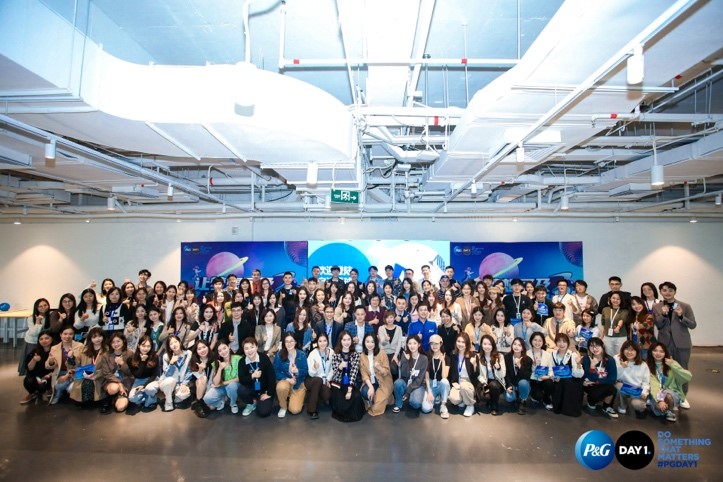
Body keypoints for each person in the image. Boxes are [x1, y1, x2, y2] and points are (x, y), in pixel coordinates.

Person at [652, 281, 696, 401]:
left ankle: (683, 397)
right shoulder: (657, 307)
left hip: (682, 343)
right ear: (660, 292)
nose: (667, 293)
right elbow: (658, 325)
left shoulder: (685, 306)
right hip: (664, 344)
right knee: (665, 369)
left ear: (675, 292)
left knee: (682, 369)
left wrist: (681, 316)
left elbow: (693, 325)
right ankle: (667, 395)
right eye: (664, 290)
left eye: (670, 290)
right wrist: (663, 315)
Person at [647, 342, 692, 423]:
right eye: (655, 350)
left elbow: (688, 377)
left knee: (668, 396)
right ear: (651, 352)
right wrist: (659, 401)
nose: (658, 353)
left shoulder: (671, 363)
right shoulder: (648, 366)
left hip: (671, 392)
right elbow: (654, 385)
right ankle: (663, 407)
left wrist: (673, 365)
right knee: (659, 410)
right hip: (656, 393)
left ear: (665, 353)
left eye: (661, 351)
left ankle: (669, 411)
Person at [147, 335, 192, 412]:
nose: (174, 345)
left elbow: (189, 371)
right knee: (170, 381)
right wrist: (171, 363)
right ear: (169, 347)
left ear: (180, 342)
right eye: (171, 344)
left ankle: (174, 396)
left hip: (180, 384)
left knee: (183, 395)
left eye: (175, 342)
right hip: (167, 381)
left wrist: (184, 384)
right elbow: (167, 375)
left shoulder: (188, 354)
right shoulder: (166, 356)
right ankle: (168, 402)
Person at [329, 330, 365, 422]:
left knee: (356, 397)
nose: (346, 342)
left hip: (350, 384)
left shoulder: (355, 355)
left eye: (348, 339)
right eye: (344, 340)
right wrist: (340, 367)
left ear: (351, 341)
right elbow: (335, 375)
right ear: (340, 341)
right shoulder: (335, 355)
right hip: (338, 384)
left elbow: (354, 373)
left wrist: (349, 390)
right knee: (341, 402)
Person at [95, 332, 134, 414]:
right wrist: (119, 384)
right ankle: (109, 398)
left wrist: (122, 364)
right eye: (113, 342)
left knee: (120, 408)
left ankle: (119, 397)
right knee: (114, 388)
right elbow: (106, 373)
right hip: (111, 382)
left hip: (126, 383)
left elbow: (132, 372)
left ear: (123, 341)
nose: (116, 344)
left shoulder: (130, 354)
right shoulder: (105, 355)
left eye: (118, 341)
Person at [581, 337, 619, 419]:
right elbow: (588, 376)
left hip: (603, 383)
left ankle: (607, 406)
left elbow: (612, 379)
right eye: (591, 346)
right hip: (590, 384)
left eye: (597, 346)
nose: (594, 349)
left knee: (612, 389)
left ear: (602, 346)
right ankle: (591, 402)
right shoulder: (587, 359)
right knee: (594, 391)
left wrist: (597, 382)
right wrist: (592, 367)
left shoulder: (610, 360)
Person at [68, 327, 106, 406]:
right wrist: (71, 357)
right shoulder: (84, 350)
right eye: (94, 337)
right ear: (90, 339)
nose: (97, 339)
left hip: (101, 375)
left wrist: (95, 375)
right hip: (85, 375)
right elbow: (76, 364)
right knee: (82, 384)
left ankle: (100, 402)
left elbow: (109, 367)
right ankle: (86, 401)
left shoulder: (107, 350)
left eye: (99, 336)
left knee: (92, 384)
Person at [273, 333, 308, 418]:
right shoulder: (279, 355)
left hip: (298, 384)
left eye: (291, 341)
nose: (289, 344)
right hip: (285, 381)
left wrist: (297, 371)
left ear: (295, 342)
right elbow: (275, 371)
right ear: (284, 343)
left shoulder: (302, 354)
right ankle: (283, 406)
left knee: (295, 410)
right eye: (287, 341)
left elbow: (306, 371)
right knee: (281, 387)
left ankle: (293, 397)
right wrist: (287, 379)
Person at [46, 326, 84, 405]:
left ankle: (64, 390)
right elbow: (48, 366)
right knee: (58, 386)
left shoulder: (80, 346)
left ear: (73, 335)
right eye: (65, 334)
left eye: (70, 334)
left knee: (68, 388)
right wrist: (51, 362)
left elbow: (81, 363)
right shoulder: (54, 348)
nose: (67, 336)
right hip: (60, 372)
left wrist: (72, 358)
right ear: (60, 335)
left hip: (74, 372)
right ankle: (60, 392)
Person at [549, 333, 584, 417]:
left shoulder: (573, 355)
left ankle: (569, 409)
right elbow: (550, 369)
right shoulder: (552, 354)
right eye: (559, 341)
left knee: (567, 381)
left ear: (568, 343)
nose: (561, 344)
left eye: (564, 342)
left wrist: (578, 364)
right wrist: (553, 377)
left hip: (571, 381)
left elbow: (578, 375)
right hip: (557, 380)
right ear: (556, 343)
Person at [359, 333, 393, 416]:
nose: (370, 344)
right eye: (367, 341)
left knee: (375, 409)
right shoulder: (362, 356)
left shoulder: (382, 353)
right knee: (365, 392)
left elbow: (386, 371)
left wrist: (379, 367)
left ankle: (386, 397)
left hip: (383, 381)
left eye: (372, 342)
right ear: (364, 343)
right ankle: (378, 397)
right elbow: (364, 374)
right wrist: (370, 387)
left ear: (376, 343)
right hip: (371, 381)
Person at [203, 341, 241, 414]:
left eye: (224, 348)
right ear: (218, 353)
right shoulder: (217, 363)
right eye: (220, 351)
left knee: (232, 386)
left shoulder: (238, 359)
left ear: (229, 347)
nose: (223, 352)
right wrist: (220, 369)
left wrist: (222, 383)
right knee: (206, 398)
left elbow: (239, 378)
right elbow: (215, 382)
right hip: (222, 387)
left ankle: (233, 404)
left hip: (235, 385)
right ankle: (220, 403)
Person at [393, 335, 428, 413]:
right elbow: (404, 374)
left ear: (419, 344)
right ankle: (398, 403)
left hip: (417, 385)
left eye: (414, 343)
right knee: (398, 383)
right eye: (410, 343)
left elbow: (420, 379)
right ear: (407, 345)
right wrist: (406, 360)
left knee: (415, 404)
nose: (412, 346)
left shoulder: (424, 358)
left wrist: (408, 392)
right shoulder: (405, 355)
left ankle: (410, 396)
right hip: (406, 382)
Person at [615, 340, 650, 418]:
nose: (629, 352)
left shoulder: (643, 364)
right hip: (625, 387)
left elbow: (646, 381)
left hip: (637, 390)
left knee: (638, 405)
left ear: (637, 351)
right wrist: (622, 368)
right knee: (617, 386)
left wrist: (644, 392)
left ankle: (640, 404)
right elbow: (615, 377)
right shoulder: (617, 358)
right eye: (627, 349)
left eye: (632, 350)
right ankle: (622, 405)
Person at [448, 332, 480, 417]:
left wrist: (475, 365)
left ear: (467, 343)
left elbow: (477, 374)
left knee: (464, 386)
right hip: (458, 383)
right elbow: (451, 373)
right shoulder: (453, 355)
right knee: (453, 399)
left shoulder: (473, 355)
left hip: (469, 383)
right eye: (459, 341)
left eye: (463, 342)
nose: (460, 344)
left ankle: (470, 405)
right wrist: (453, 383)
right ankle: (464, 398)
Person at [127, 334, 161, 413]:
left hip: (152, 380)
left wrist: (144, 386)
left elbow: (154, 374)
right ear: (139, 346)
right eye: (143, 345)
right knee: (132, 398)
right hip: (139, 380)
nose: (146, 348)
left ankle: (152, 399)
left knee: (150, 389)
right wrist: (142, 361)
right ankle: (146, 396)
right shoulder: (131, 359)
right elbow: (137, 375)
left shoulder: (155, 357)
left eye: (148, 346)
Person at [20, 330, 54, 404]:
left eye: (47, 338)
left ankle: (50, 389)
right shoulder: (35, 351)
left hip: (50, 376)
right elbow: (29, 368)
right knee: (28, 381)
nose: (44, 341)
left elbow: (57, 369)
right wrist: (34, 360)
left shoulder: (56, 351)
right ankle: (32, 393)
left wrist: (47, 376)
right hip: (37, 376)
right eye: (41, 339)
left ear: (52, 339)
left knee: (44, 384)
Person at [19, 298, 51, 376]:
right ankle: (29, 376)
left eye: (45, 305)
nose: (43, 307)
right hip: (32, 342)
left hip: (44, 342)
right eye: (40, 306)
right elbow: (34, 333)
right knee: (31, 359)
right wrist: (37, 322)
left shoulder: (50, 316)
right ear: (36, 307)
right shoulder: (31, 318)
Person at [305, 332, 333, 419]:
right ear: (317, 342)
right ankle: (311, 410)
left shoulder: (331, 352)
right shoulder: (313, 353)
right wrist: (314, 368)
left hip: (325, 380)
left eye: (324, 341)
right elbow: (310, 373)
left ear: (327, 341)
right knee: (318, 380)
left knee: (326, 394)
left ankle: (312, 395)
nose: (322, 343)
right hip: (312, 379)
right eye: (320, 341)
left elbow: (333, 369)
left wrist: (328, 379)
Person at [423, 334, 451, 418]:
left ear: (441, 344)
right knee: (426, 409)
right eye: (432, 343)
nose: (434, 346)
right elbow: (427, 376)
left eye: (436, 343)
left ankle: (443, 404)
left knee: (445, 381)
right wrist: (429, 391)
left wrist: (443, 362)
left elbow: (444, 377)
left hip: (441, 384)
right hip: (431, 384)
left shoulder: (446, 358)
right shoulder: (427, 357)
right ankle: (436, 396)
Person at [477, 335, 506, 416]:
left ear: (493, 345)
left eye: (489, 344)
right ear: (481, 345)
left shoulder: (499, 356)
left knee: (493, 385)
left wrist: (498, 368)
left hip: (497, 382)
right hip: (485, 381)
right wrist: (484, 383)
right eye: (485, 344)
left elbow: (503, 374)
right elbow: (479, 374)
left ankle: (494, 405)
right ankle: (490, 400)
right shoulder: (478, 357)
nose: (487, 346)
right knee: (484, 396)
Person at [504, 337, 533, 415]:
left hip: (522, 383)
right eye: (515, 344)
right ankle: (516, 396)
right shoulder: (507, 357)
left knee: (523, 383)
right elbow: (506, 374)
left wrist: (520, 366)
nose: (516, 347)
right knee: (508, 398)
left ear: (523, 348)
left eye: (519, 345)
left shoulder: (528, 360)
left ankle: (523, 401)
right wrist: (508, 385)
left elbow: (527, 376)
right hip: (512, 383)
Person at [527, 332, 554, 410]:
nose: (537, 342)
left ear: (543, 342)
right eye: (535, 340)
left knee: (550, 384)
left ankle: (546, 399)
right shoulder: (527, 354)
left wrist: (548, 376)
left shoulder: (547, 355)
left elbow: (551, 369)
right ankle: (534, 395)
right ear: (531, 341)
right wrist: (533, 365)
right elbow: (526, 371)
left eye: (540, 340)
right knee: (538, 396)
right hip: (533, 379)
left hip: (544, 378)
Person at [600, 292, 629, 360]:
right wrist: (601, 337)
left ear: (621, 300)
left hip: (620, 337)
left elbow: (622, 319)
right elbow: (603, 324)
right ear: (610, 299)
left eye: (618, 299)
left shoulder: (624, 310)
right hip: (607, 337)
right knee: (608, 357)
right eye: (613, 298)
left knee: (620, 356)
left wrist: (618, 327)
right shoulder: (605, 309)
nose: (615, 300)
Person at [378, 310, 403, 379]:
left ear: (394, 318)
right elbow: (382, 344)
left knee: (393, 369)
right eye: (387, 317)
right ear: (385, 319)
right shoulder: (381, 328)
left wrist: (395, 355)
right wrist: (386, 340)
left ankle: (394, 383)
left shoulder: (399, 329)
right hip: (384, 353)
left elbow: (399, 343)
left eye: (391, 317)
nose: (389, 319)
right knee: (385, 369)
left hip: (394, 353)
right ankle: (387, 383)